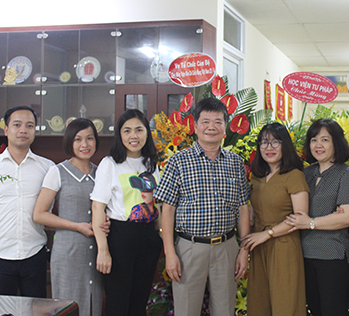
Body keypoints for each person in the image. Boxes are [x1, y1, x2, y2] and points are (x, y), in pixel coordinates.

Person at [154, 98, 250, 316]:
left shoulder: (235, 163)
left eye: (218, 122)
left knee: (225, 310)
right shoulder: (178, 162)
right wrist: (170, 253)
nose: (211, 127)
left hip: (227, 247)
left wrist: (243, 251)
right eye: (205, 121)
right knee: (186, 310)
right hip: (189, 248)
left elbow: (243, 208)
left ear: (225, 127)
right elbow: (167, 210)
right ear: (195, 126)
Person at [0, 105, 55, 297]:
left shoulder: (47, 167)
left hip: (34, 253)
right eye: (17, 125)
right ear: (6, 129)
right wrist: (3, 232)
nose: (23, 130)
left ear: (35, 131)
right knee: (3, 309)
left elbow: (47, 209)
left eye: (29, 126)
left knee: (36, 308)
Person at [90, 109, 163, 316]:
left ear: (147, 133)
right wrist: (103, 249)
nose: (134, 136)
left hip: (148, 238)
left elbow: (157, 204)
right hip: (120, 238)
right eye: (127, 130)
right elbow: (98, 207)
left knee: (140, 302)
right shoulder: (110, 164)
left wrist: (162, 238)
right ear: (120, 135)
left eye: (139, 130)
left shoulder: (151, 163)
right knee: (118, 303)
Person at [285, 118, 349, 316]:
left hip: (333, 256)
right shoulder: (306, 173)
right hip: (304, 254)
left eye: (325, 140)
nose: (318, 145)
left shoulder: (345, 174)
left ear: (336, 143)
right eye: (314, 140)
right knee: (315, 309)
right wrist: (331, 218)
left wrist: (310, 222)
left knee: (332, 311)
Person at [32, 118, 103, 316]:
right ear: (69, 142)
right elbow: (39, 214)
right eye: (78, 139)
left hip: (97, 252)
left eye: (89, 138)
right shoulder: (57, 172)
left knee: (94, 305)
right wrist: (76, 226)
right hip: (68, 252)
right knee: (67, 307)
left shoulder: (101, 173)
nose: (84, 144)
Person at [242, 122, 309, 316]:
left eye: (274, 142)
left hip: (284, 246)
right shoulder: (257, 176)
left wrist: (268, 234)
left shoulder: (294, 176)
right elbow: (253, 213)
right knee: (259, 303)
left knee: (284, 303)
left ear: (284, 145)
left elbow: (300, 217)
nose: (268, 148)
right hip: (258, 246)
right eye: (264, 142)